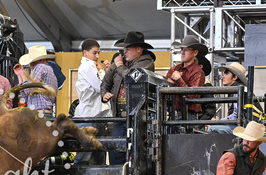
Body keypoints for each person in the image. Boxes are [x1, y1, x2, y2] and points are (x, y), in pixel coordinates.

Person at [101, 31, 155, 165]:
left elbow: (132, 78)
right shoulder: (120, 63)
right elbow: (105, 83)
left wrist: (119, 65)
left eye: (128, 48)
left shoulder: (146, 62)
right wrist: (104, 94)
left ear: (138, 49)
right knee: (115, 152)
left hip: (136, 118)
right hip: (119, 117)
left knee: (135, 153)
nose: (124, 51)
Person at [74, 38, 110, 166]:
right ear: (85, 53)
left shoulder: (89, 66)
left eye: (98, 53)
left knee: (94, 155)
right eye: (94, 53)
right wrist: (102, 72)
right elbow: (100, 86)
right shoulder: (88, 66)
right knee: (88, 155)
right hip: (90, 116)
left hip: (93, 115)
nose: (97, 56)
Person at [166, 35, 207, 120]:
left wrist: (178, 80)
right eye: (182, 49)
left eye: (186, 50)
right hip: (174, 113)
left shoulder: (198, 72)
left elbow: (192, 96)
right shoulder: (176, 68)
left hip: (189, 115)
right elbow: (166, 83)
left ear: (195, 53)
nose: (182, 52)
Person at [207, 63, 255, 134]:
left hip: (246, 127)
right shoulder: (241, 89)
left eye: (226, 73)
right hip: (248, 125)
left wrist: (218, 122)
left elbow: (236, 115)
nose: (223, 76)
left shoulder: (238, 90)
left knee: (212, 129)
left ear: (235, 77)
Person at [14, 45, 58, 119]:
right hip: (44, 113)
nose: (31, 65)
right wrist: (20, 75)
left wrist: (24, 76)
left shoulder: (41, 66)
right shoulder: (49, 71)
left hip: (39, 114)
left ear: (43, 60)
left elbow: (28, 89)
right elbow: (25, 96)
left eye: (34, 62)